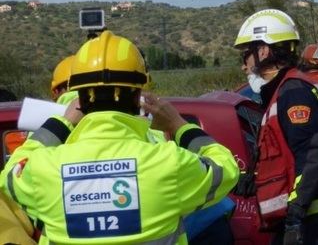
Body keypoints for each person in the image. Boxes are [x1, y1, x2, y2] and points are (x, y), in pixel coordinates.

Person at [0, 30, 239, 244]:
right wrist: (178, 125)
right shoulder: (168, 164)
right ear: (138, 96)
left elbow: (10, 175)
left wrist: (60, 123)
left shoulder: (45, 169)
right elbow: (226, 168)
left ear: (79, 98)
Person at [234, 9, 318, 245]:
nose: (244, 65)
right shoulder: (283, 91)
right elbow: (285, 157)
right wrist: (248, 179)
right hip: (306, 216)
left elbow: (313, 151)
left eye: (246, 55)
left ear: (263, 50)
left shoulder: (294, 93)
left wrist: (295, 214)